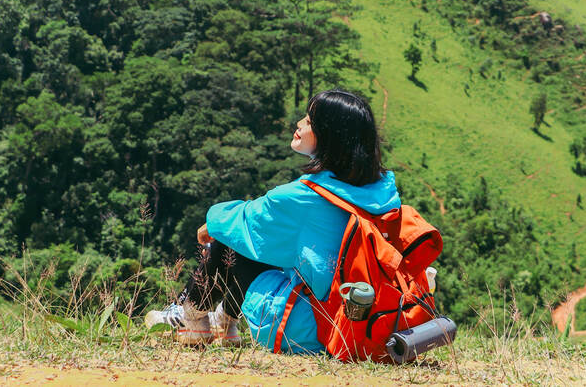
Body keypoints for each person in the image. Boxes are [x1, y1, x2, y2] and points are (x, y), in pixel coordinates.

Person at [144, 89, 400, 352]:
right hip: (360, 319)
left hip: (308, 328)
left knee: (230, 239)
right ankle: (224, 321)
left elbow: (246, 220)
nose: (299, 124)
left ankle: (190, 319)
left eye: (310, 122)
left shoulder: (306, 197)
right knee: (267, 246)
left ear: (330, 136)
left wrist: (212, 223)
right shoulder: (382, 191)